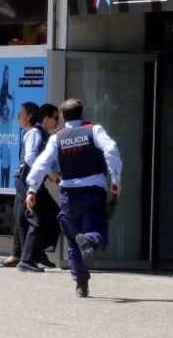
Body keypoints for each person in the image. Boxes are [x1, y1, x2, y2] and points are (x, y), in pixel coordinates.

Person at [25, 99, 122, 297]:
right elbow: (111, 149)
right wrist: (116, 178)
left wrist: (31, 190)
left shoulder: (57, 137)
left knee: (73, 242)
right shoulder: (94, 130)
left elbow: (41, 163)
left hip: (69, 196)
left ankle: (80, 284)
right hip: (93, 193)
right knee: (98, 235)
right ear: (82, 113)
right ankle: (89, 240)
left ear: (61, 116)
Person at [0, 103, 61, 271]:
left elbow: (50, 159)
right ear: (46, 119)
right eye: (55, 118)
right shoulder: (35, 133)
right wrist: (49, 172)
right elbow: (31, 158)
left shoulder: (45, 135)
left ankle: (32, 254)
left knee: (26, 218)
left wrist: (54, 172)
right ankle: (28, 258)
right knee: (37, 219)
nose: (58, 121)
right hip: (27, 182)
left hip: (31, 182)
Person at [0, 66, 15, 188]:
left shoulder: (6, 89)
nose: (7, 77)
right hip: (1, 123)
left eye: (8, 74)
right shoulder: (3, 89)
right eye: (6, 74)